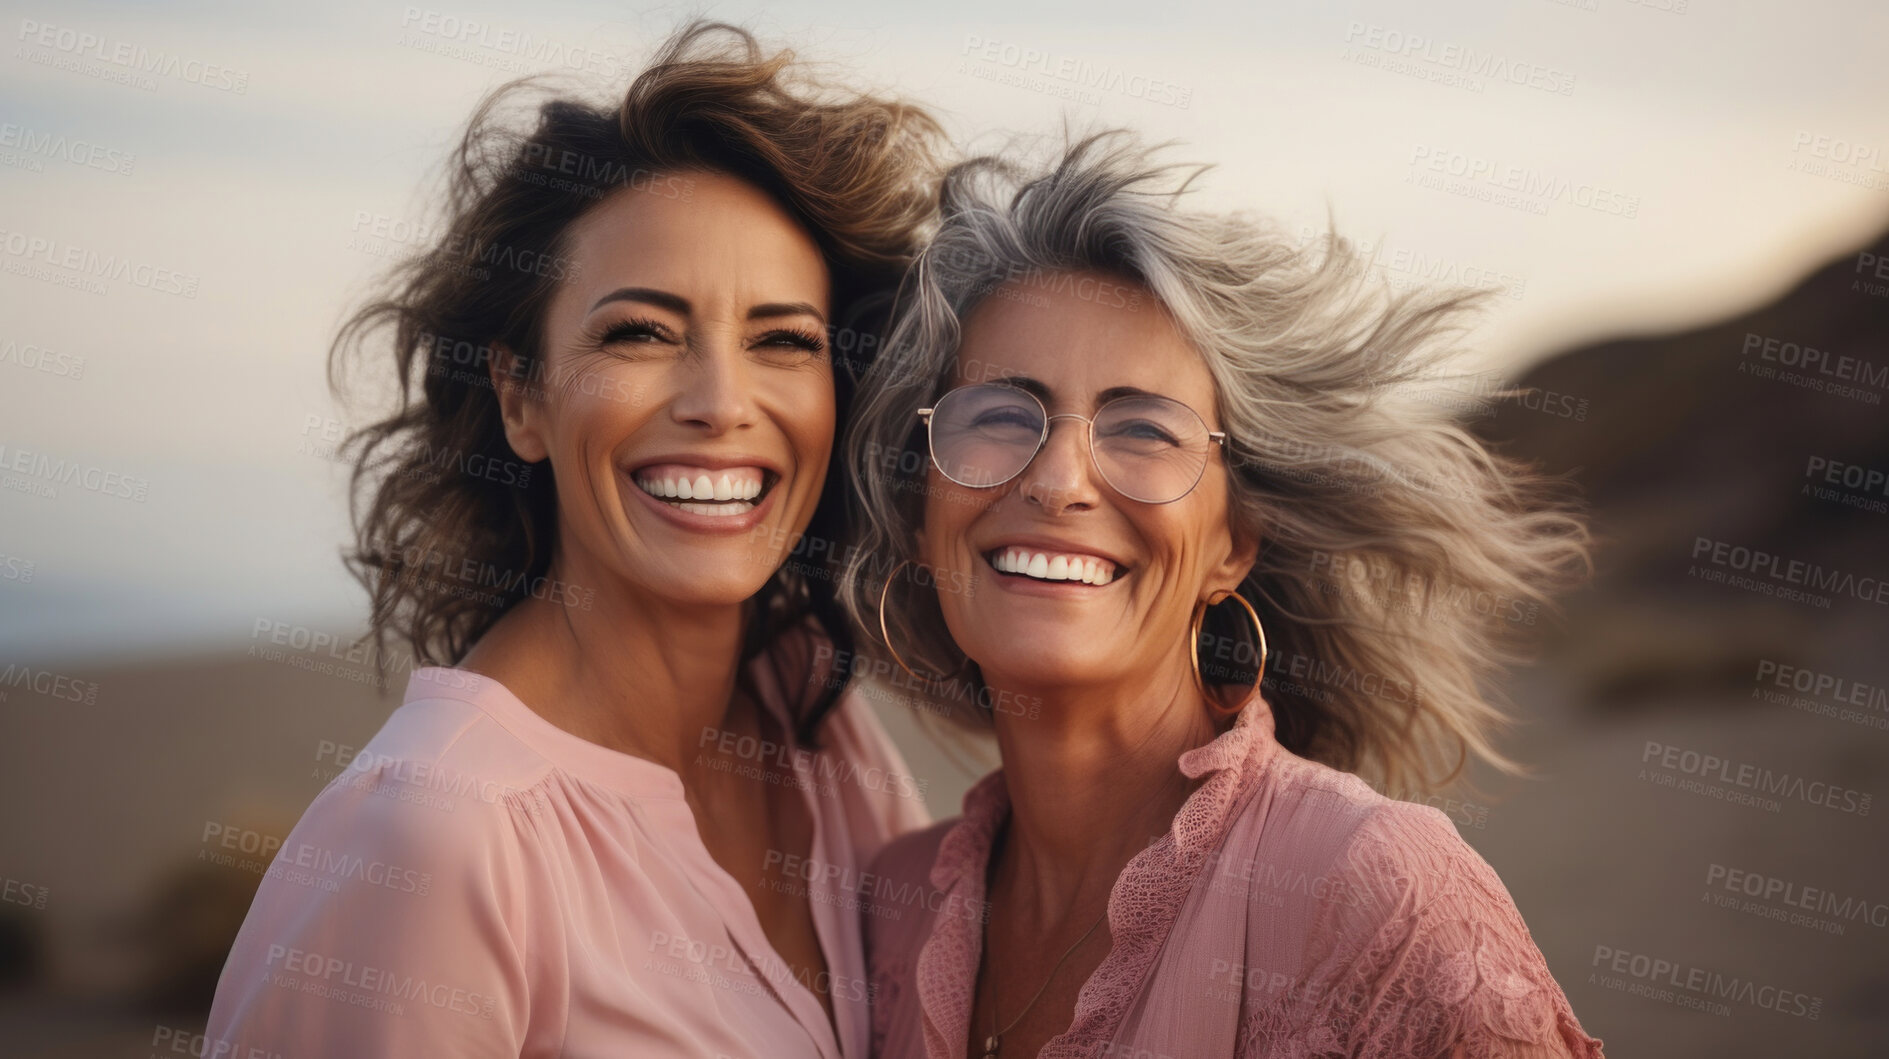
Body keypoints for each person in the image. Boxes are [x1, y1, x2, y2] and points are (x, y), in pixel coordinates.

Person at [206, 22, 943, 1057]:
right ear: (521, 397)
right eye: (638, 332)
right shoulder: (437, 837)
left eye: (783, 341)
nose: (721, 404)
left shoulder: (812, 714)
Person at [840, 135, 1605, 1057]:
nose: (1058, 481)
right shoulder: (889, 905)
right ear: (924, 508)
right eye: (1001, 414)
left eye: (1144, 429)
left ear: (1230, 545)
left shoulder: (1369, 892)